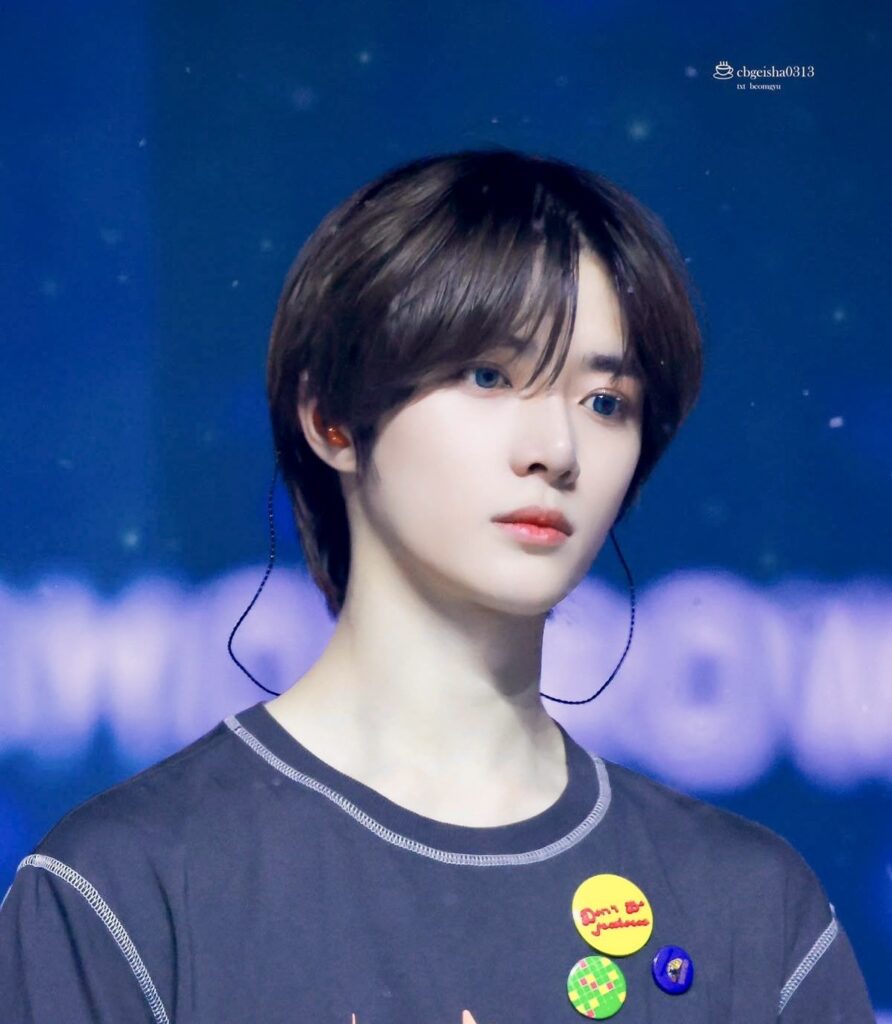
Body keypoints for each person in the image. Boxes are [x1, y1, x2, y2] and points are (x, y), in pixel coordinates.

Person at [0, 148, 874, 1022]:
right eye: (489, 376)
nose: (556, 450)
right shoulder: (129, 895)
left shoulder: (749, 913)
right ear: (331, 417)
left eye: (605, 401)